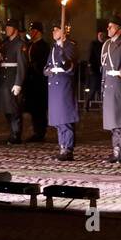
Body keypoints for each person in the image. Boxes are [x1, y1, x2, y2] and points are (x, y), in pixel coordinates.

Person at [100, 16, 121, 163]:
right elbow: (104, 67)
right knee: (113, 122)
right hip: (109, 84)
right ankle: (116, 150)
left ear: (119, 29)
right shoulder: (107, 44)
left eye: (112, 27)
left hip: (120, 86)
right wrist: (103, 85)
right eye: (108, 26)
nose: (108, 29)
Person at [45, 21, 78, 161]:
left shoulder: (70, 46)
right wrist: (47, 71)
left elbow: (69, 66)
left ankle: (68, 149)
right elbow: (47, 65)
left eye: (56, 30)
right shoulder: (53, 47)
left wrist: (62, 54)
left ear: (63, 32)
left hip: (64, 85)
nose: (53, 32)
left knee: (65, 119)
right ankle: (62, 147)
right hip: (54, 85)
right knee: (58, 120)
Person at [0, 18, 28, 143]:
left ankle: (16, 134)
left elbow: (22, 65)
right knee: (7, 109)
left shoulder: (20, 44)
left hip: (13, 79)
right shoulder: (4, 43)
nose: (6, 30)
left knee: (15, 109)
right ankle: (12, 132)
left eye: (9, 27)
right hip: (5, 78)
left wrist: (18, 83)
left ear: (15, 29)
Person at [26, 21, 50, 142]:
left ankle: (40, 131)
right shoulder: (30, 45)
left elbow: (43, 64)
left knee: (40, 109)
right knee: (33, 109)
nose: (31, 33)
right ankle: (36, 130)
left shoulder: (44, 46)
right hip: (31, 81)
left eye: (33, 30)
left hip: (40, 81)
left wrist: (34, 65)